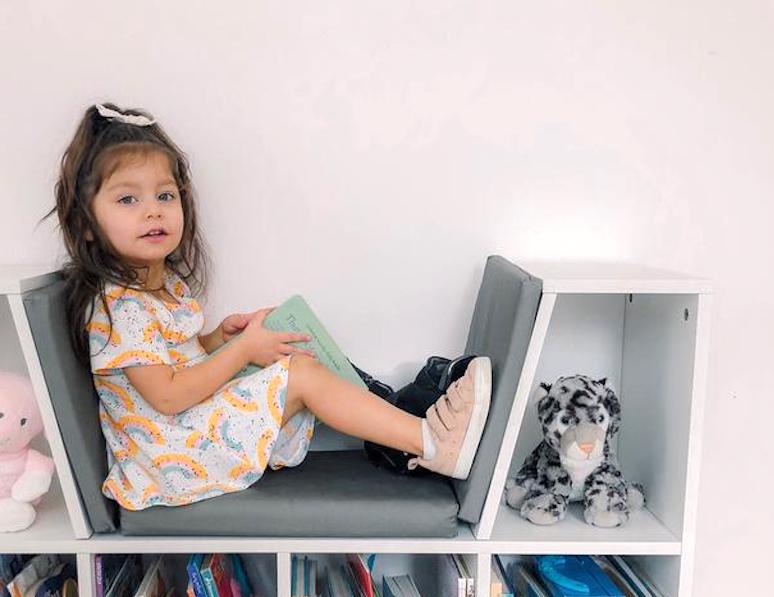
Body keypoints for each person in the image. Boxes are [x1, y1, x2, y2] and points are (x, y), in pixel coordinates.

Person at [51, 102, 492, 511]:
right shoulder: (118, 304)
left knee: (294, 351)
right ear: (87, 224)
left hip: (182, 437)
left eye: (165, 196)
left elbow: (170, 363)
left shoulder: (159, 287)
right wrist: (241, 353)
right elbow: (166, 395)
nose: (152, 212)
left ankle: (401, 432)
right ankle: (431, 442)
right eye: (128, 199)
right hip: (168, 456)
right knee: (296, 374)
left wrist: (218, 340)